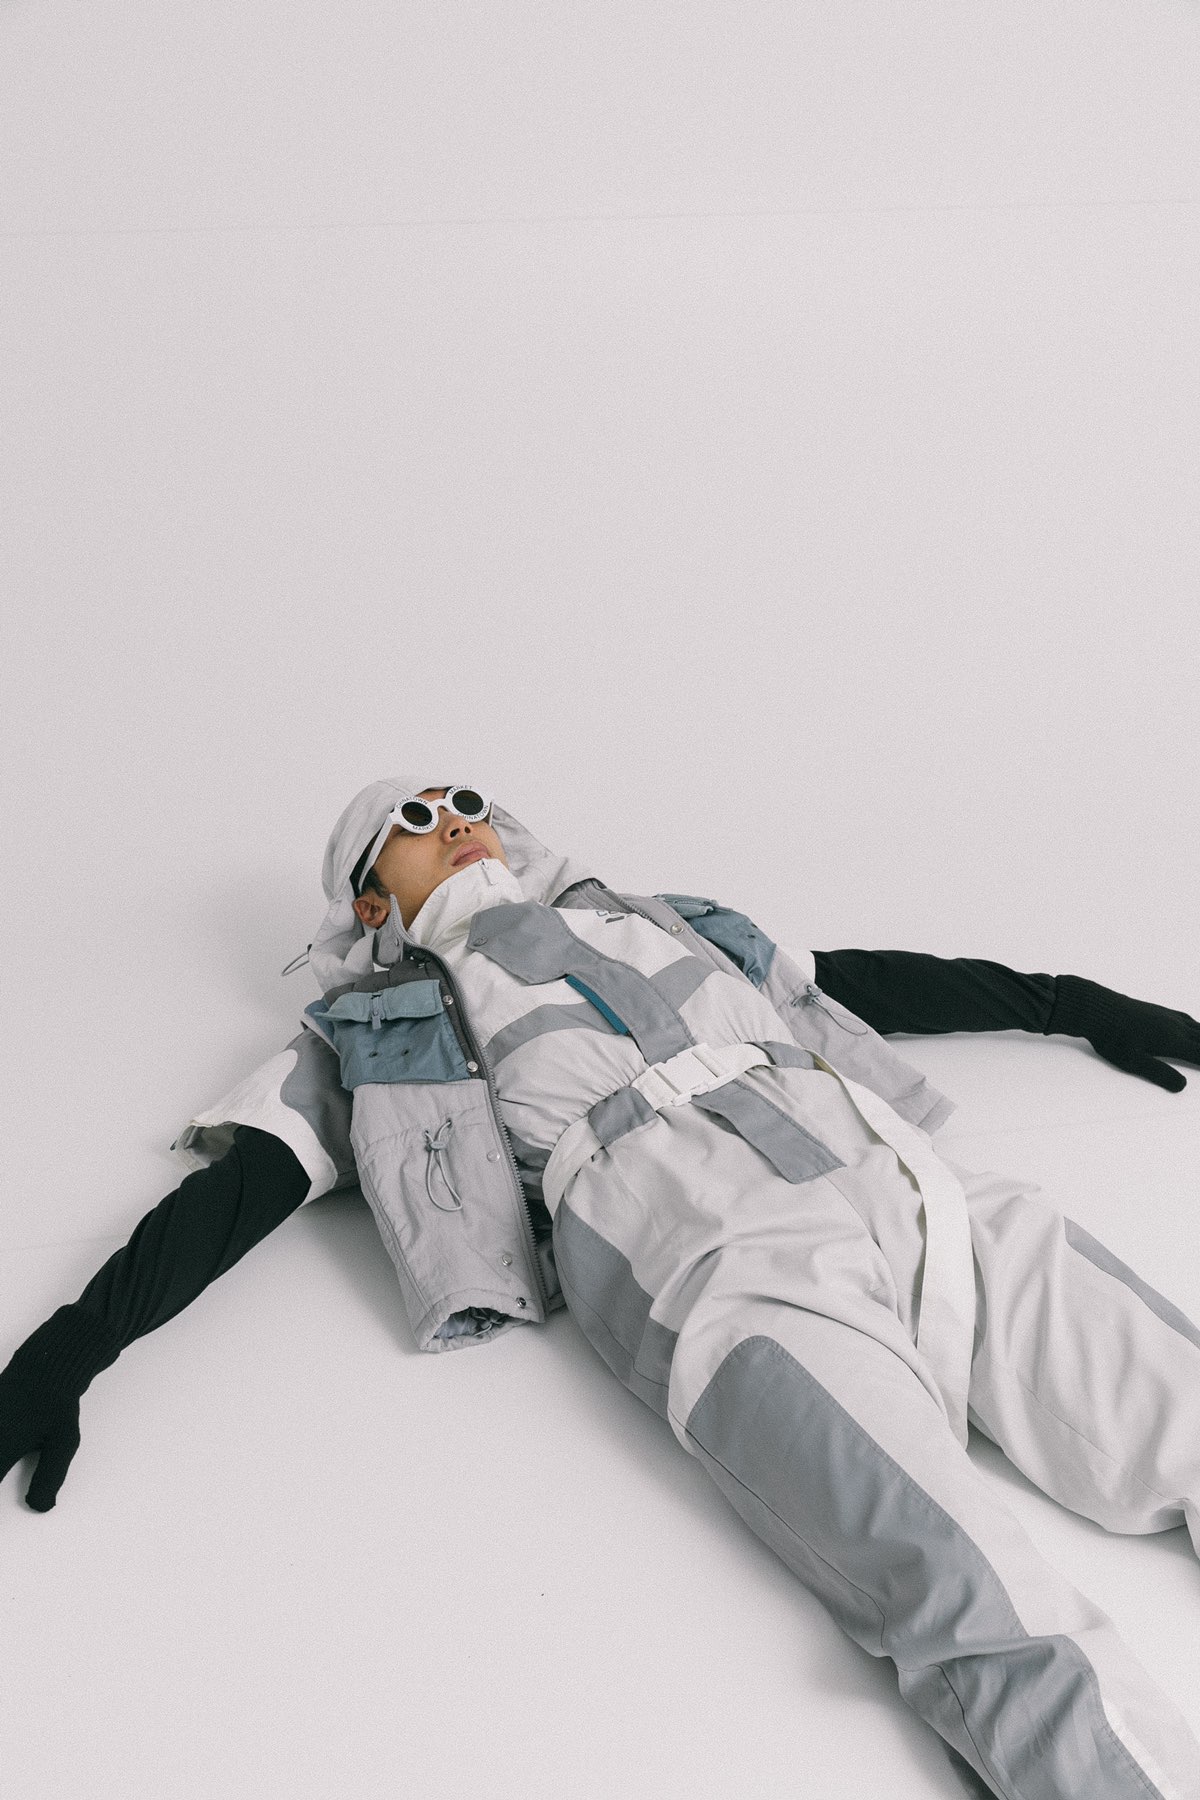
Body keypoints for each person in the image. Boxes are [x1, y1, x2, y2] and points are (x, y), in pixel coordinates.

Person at [5, 777, 1200, 1800]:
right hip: (734, 1285)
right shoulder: (367, 1026)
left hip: (919, 1192)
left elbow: (850, 982)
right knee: (975, 1600)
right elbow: (245, 1188)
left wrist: (1063, 1005)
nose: (454, 821)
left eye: (468, 801)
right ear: (370, 901)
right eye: (412, 820)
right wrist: (72, 1347)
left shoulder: (664, 920)